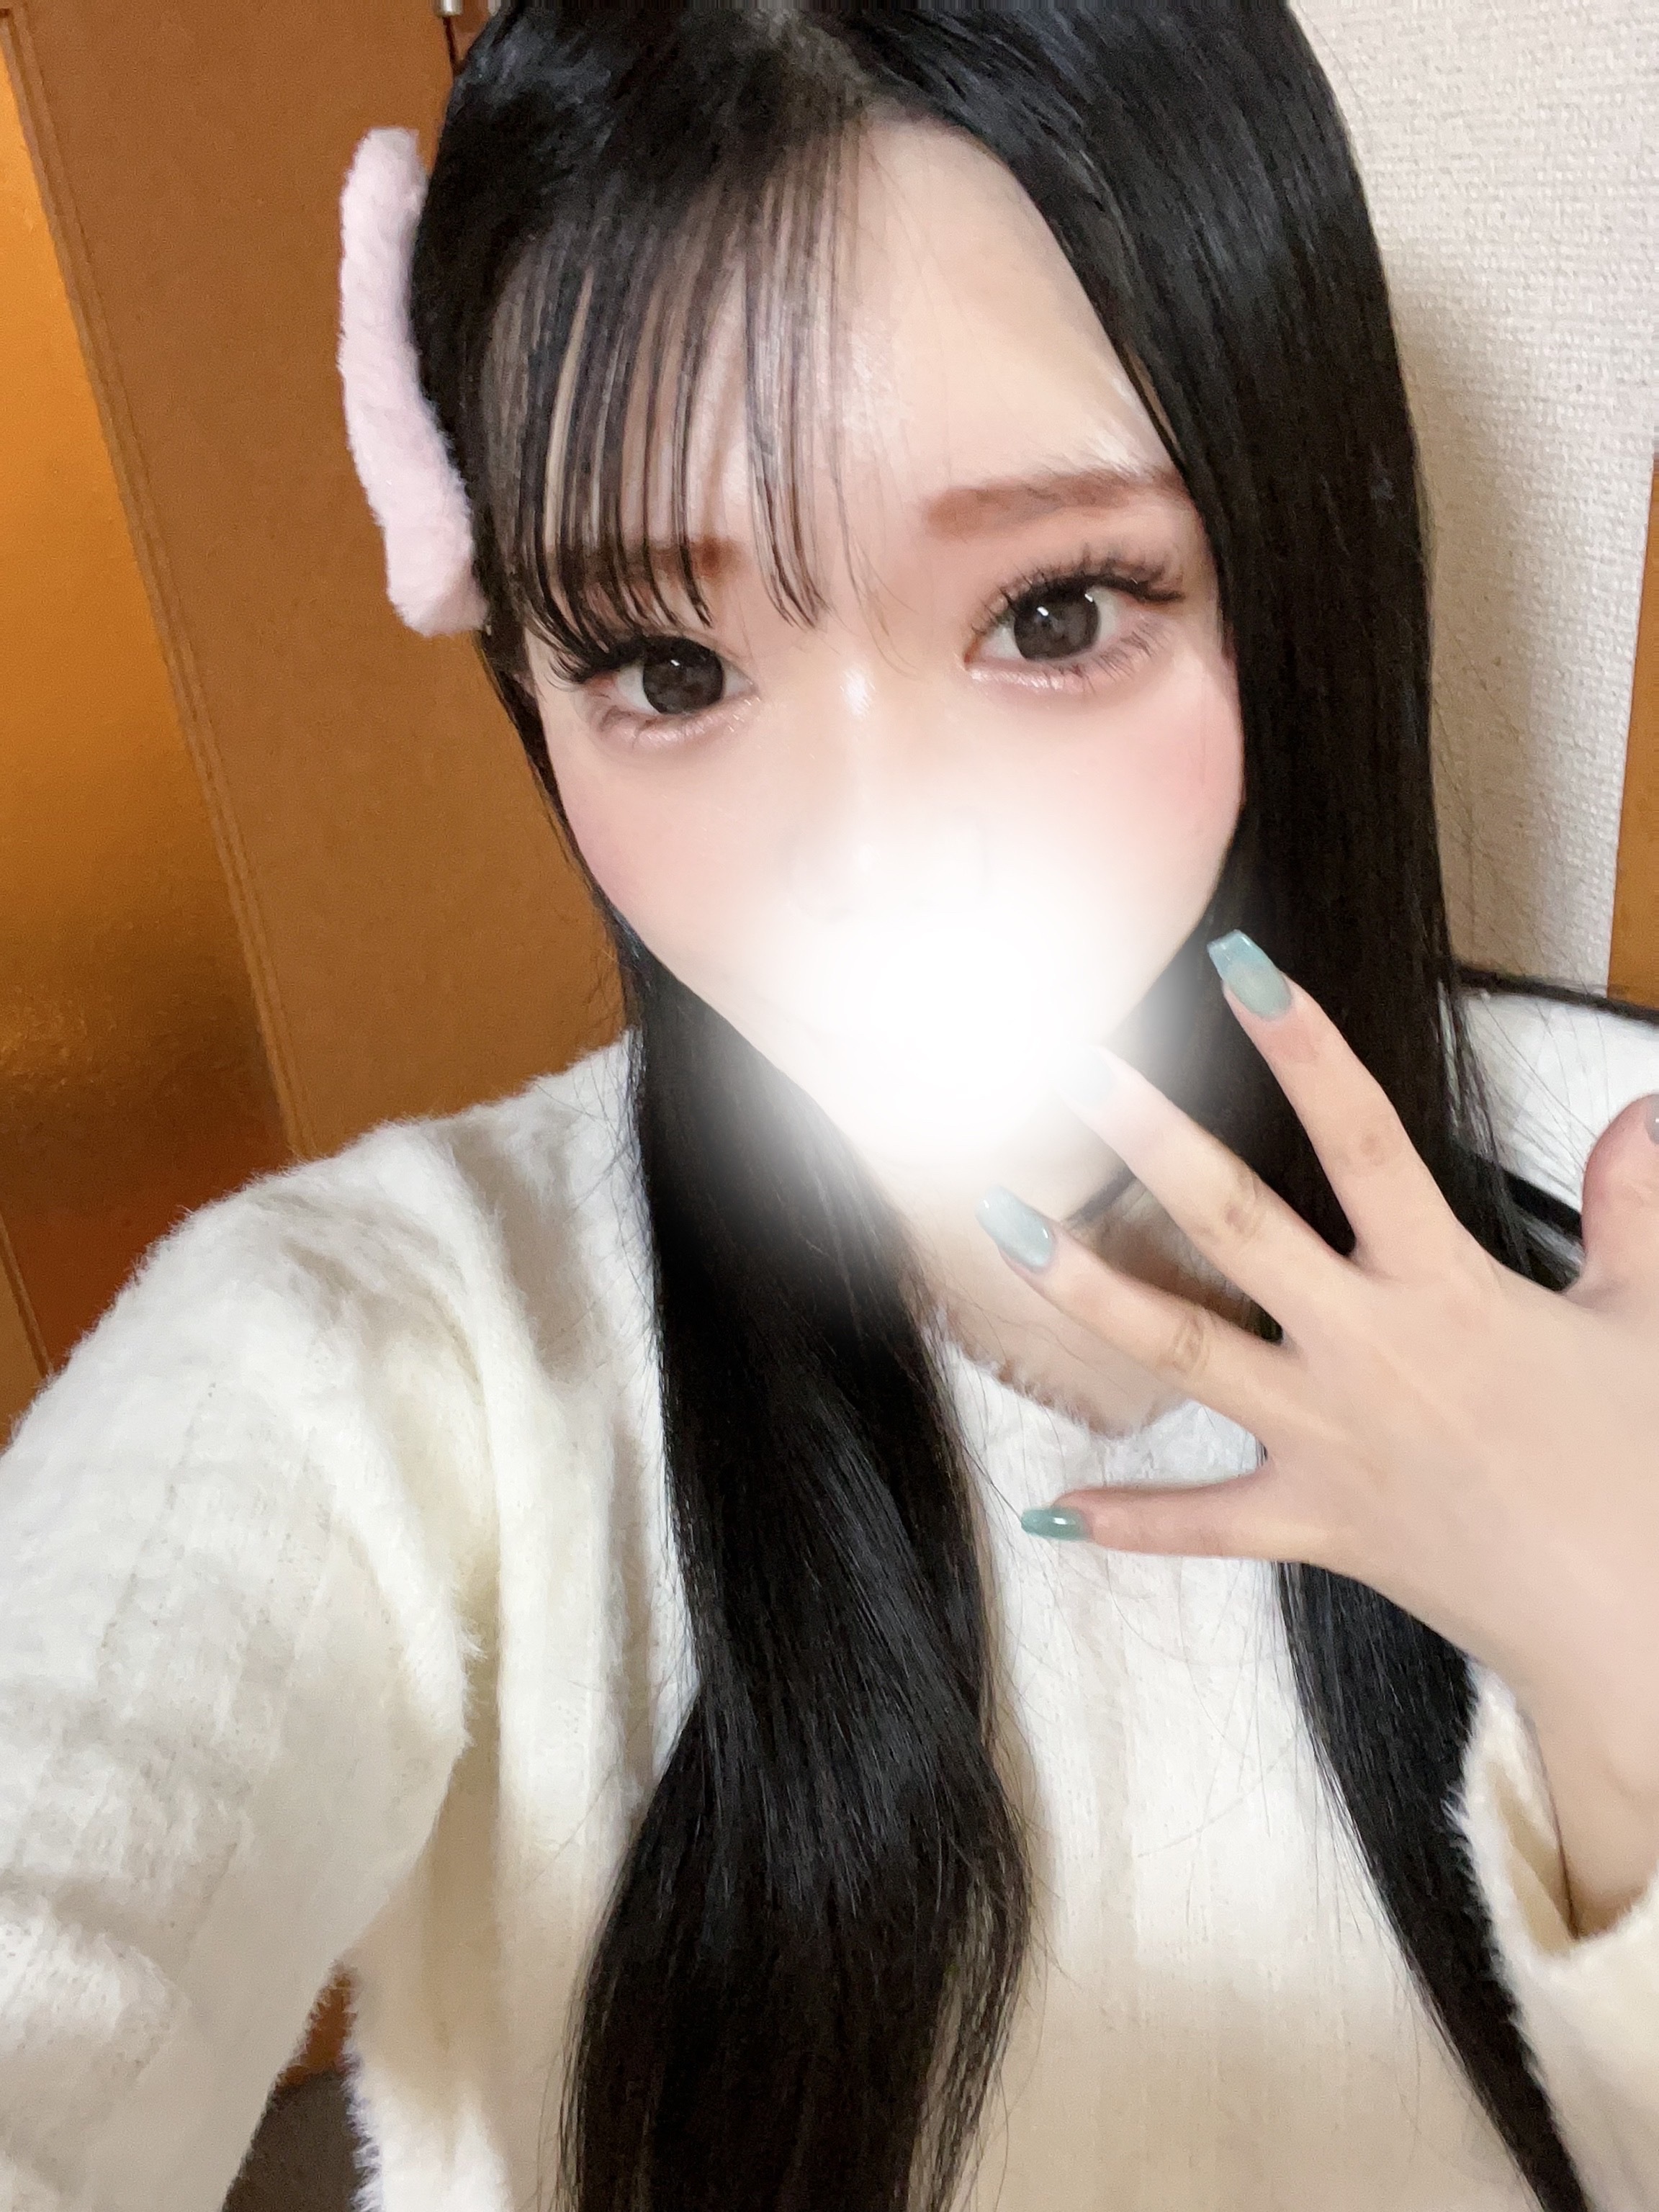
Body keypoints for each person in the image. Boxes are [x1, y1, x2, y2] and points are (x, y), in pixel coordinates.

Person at [2, 4, 1656, 2208]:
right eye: (667, 666)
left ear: (1297, 555)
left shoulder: (1624, 1198)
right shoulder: (391, 1333)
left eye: (1053, 612)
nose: (866, 847)